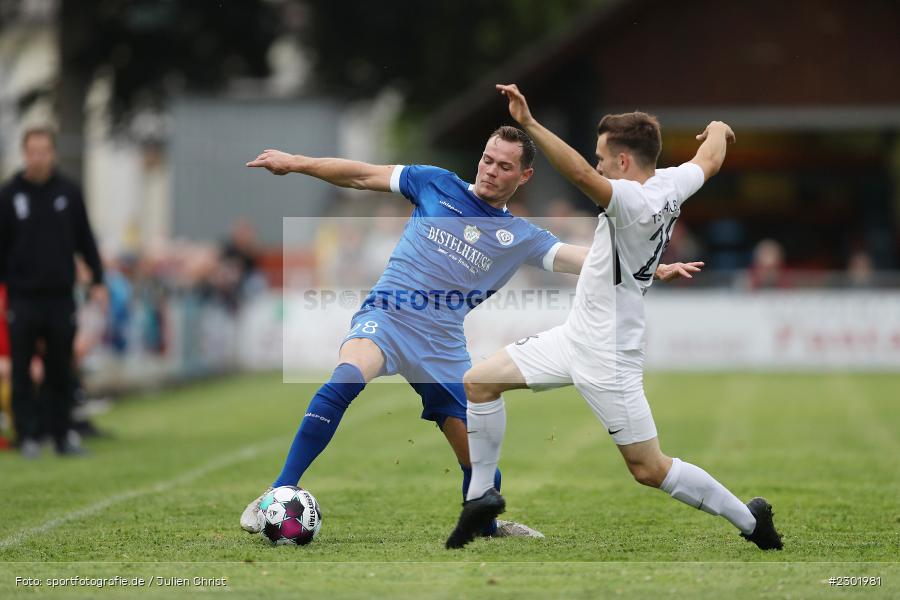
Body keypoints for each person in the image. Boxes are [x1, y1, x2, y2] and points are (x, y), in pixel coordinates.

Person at [241, 126, 700, 538]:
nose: (490, 171)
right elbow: (362, 175)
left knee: (477, 455)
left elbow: (586, 261)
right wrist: (297, 163)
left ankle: (488, 525)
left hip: (442, 344)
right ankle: (278, 491)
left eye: (504, 166)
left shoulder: (519, 235)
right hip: (390, 316)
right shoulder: (434, 182)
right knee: (344, 379)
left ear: (523, 177)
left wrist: (652, 268)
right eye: (487, 159)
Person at [445, 85, 782, 551]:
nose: (597, 162)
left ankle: (751, 521)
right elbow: (710, 159)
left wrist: (529, 123)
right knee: (479, 382)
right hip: (575, 338)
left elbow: (580, 173)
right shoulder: (669, 182)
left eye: (604, 155)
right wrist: (721, 129)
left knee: (649, 468)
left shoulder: (631, 199)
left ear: (624, 162)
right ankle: (480, 501)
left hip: (608, 355)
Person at [0, 126, 107, 457]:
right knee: (21, 369)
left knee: (61, 366)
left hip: (60, 296)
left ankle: (62, 435)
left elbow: (85, 240)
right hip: (23, 297)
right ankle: (28, 435)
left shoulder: (68, 192)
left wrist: (98, 279)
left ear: (53, 153)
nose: (38, 158)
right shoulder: (9, 194)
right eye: (32, 152)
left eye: (44, 151)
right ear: (24, 153)